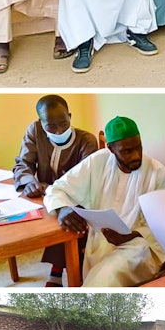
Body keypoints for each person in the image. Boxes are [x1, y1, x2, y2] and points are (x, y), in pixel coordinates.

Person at [45, 116, 165, 286]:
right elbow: (58, 188)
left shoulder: (157, 173)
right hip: (100, 240)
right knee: (98, 274)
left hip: (140, 245)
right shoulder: (98, 161)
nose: (136, 156)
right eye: (126, 151)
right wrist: (62, 208)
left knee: (105, 277)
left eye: (138, 147)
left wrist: (132, 235)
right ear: (111, 149)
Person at [13, 94, 98, 285]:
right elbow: (23, 163)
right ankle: (58, 270)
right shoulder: (35, 131)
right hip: (43, 198)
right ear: (41, 123)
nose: (59, 131)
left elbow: (86, 183)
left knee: (70, 217)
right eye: (51, 126)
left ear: (70, 116)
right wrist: (28, 182)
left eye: (63, 123)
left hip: (77, 198)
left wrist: (53, 191)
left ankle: (57, 270)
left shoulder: (87, 141)